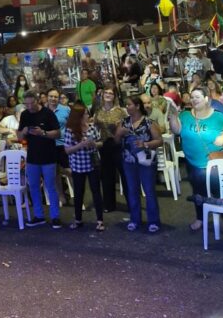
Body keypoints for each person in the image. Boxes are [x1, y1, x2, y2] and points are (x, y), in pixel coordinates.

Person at [171, 86, 223, 232]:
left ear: (206, 99)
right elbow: (176, 130)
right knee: (197, 192)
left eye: (198, 97)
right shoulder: (185, 115)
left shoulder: (218, 116)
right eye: (192, 97)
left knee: (219, 192)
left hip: (214, 162)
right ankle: (200, 219)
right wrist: (172, 116)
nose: (194, 99)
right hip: (192, 162)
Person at [115, 96, 162, 233]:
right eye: (126, 105)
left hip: (146, 161)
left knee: (149, 191)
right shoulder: (123, 122)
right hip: (129, 160)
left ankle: (153, 220)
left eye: (129, 105)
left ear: (137, 106)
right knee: (132, 190)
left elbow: (159, 141)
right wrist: (119, 134)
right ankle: (135, 219)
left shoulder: (149, 122)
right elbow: (116, 141)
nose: (127, 107)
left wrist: (145, 144)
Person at [17, 91, 62, 228]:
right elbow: (19, 137)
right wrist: (24, 132)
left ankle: (55, 216)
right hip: (32, 157)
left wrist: (43, 133)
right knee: (34, 187)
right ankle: (39, 215)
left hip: (48, 156)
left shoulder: (48, 113)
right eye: (27, 104)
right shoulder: (25, 115)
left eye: (32, 103)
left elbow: (58, 133)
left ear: (38, 101)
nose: (29, 106)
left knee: (50, 187)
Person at [64, 102, 104, 231]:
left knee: (96, 192)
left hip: (93, 164)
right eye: (85, 114)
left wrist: (93, 144)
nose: (88, 115)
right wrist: (81, 145)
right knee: (78, 193)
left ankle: (100, 220)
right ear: (79, 116)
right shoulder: (70, 130)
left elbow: (100, 142)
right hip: (78, 166)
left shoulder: (92, 127)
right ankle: (78, 219)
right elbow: (67, 150)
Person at [93, 86, 127, 213]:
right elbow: (95, 126)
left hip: (118, 144)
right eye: (106, 92)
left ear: (114, 96)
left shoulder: (120, 111)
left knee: (124, 174)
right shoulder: (98, 111)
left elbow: (126, 127)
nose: (107, 94)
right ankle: (109, 204)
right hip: (104, 145)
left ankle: (131, 203)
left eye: (110, 93)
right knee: (107, 176)